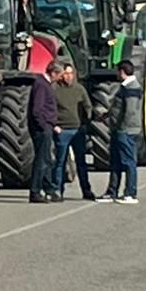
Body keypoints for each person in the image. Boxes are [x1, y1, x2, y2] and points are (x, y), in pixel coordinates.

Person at [103, 60, 144, 204]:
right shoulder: (124, 87)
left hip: (126, 130)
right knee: (115, 162)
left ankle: (130, 193)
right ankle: (112, 191)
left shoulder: (132, 88)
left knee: (128, 162)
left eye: (117, 71)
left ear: (122, 72)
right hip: (118, 129)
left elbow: (130, 111)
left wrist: (122, 128)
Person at [52, 63, 94, 201]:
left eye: (71, 73)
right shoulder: (54, 89)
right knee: (60, 162)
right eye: (66, 73)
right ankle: (57, 190)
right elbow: (50, 109)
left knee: (81, 162)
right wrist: (55, 125)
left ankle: (86, 190)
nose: (68, 76)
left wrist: (86, 123)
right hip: (62, 131)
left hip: (77, 131)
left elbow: (88, 107)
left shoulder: (79, 89)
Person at [27, 63, 60, 204]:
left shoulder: (45, 85)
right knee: (41, 160)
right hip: (42, 129)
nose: (59, 78)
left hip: (46, 127)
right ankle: (35, 191)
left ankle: (49, 189)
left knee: (46, 159)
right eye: (59, 75)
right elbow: (37, 109)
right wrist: (44, 126)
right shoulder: (41, 85)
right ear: (53, 73)